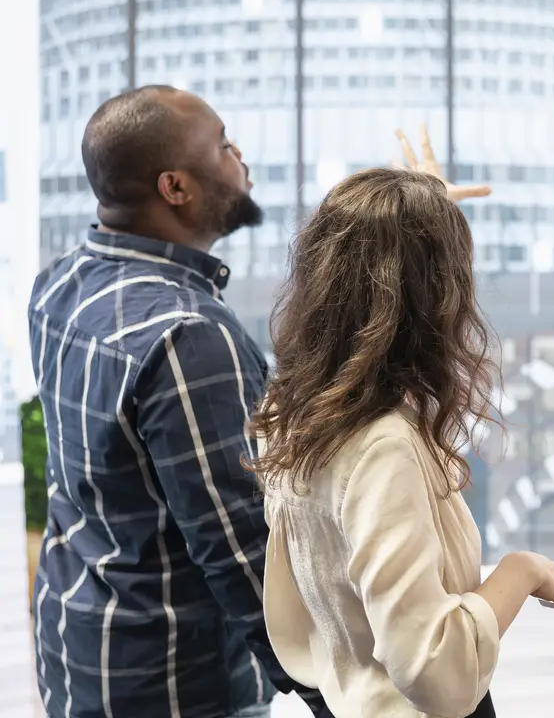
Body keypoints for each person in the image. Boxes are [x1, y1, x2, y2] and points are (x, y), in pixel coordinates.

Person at [26, 85, 487, 718]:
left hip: (76, 641)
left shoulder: (61, 283)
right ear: (175, 187)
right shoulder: (188, 336)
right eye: (222, 146)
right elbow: (240, 547)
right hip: (172, 679)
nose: (239, 156)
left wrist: (415, 228)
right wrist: (328, 694)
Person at [248, 166, 554, 718]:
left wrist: (420, 203)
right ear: (438, 293)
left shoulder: (289, 414)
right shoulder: (383, 447)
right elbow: (435, 673)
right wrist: (522, 572)